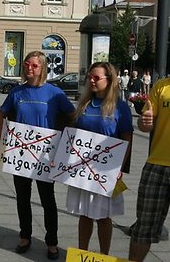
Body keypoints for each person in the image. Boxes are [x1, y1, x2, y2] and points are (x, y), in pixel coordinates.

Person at [0, 50, 74, 260]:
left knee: (48, 200)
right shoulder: (17, 92)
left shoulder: (55, 93)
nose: (29, 68)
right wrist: (5, 140)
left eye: (34, 65)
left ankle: (52, 242)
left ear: (43, 68)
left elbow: (72, 116)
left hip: (46, 156)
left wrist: (66, 146)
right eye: (26, 64)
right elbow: (1, 114)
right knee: (22, 198)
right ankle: (25, 236)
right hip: (20, 155)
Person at [66, 62, 133, 254]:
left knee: (104, 217)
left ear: (109, 80)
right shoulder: (85, 104)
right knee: (84, 215)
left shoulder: (120, 107)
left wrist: (120, 166)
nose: (92, 81)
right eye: (90, 77)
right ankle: (82, 253)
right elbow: (75, 134)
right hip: (83, 170)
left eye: (96, 77)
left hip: (106, 170)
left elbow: (126, 137)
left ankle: (104, 256)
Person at [128, 77, 170, 262]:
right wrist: (145, 123)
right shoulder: (162, 86)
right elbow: (145, 125)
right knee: (143, 227)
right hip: (157, 164)